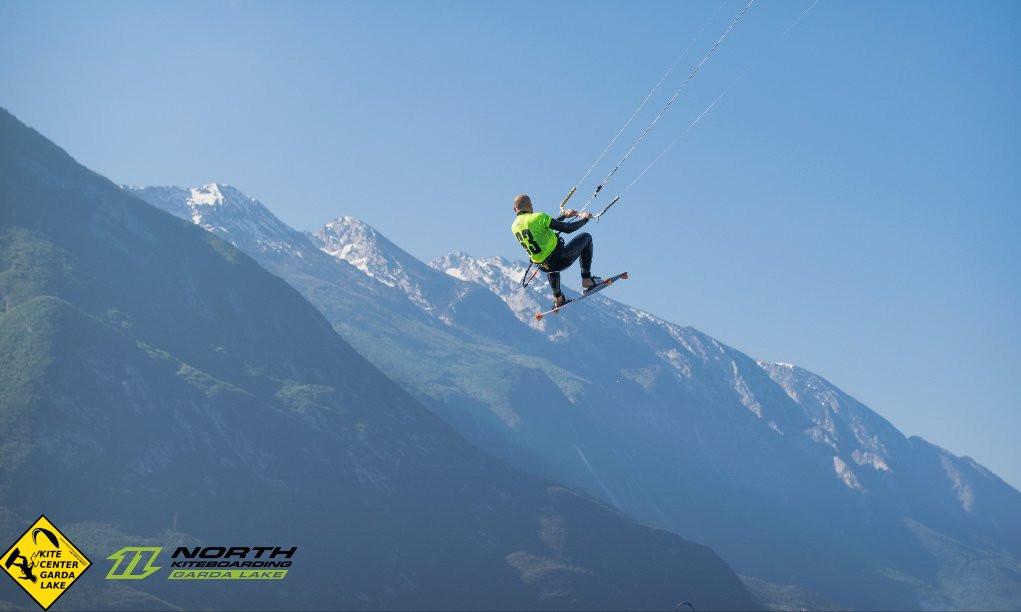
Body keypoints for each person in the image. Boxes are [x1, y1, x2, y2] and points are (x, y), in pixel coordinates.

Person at [511, 194, 602, 308]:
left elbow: (542, 227)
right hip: (559, 260)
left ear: (515, 209)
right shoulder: (538, 217)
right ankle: (586, 279)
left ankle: (558, 297)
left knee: (548, 257)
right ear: (531, 206)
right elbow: (568, 229)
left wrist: (563, 215)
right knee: (586, 237)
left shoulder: (514, 226)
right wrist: (585, 219)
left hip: (543, 266)